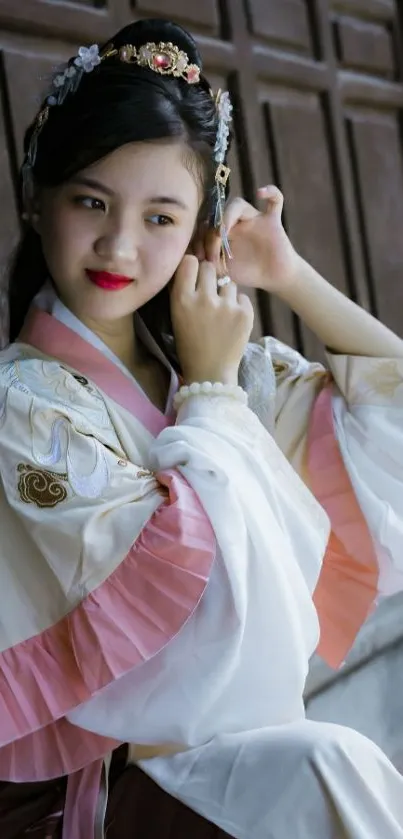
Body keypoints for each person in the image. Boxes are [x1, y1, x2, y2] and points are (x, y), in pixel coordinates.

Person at [0, 15, 402, 839]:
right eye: (90, 201)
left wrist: (289, 276)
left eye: (161, 217)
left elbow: (387, 422)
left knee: (330, 765)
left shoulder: (219, 372)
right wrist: (212, 393)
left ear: (201, 231)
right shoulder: (28, 408)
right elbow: (191, 634)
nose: (119, 244)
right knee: (325, 766)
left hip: (227, 764)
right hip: (116, 791)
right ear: (38, 203)